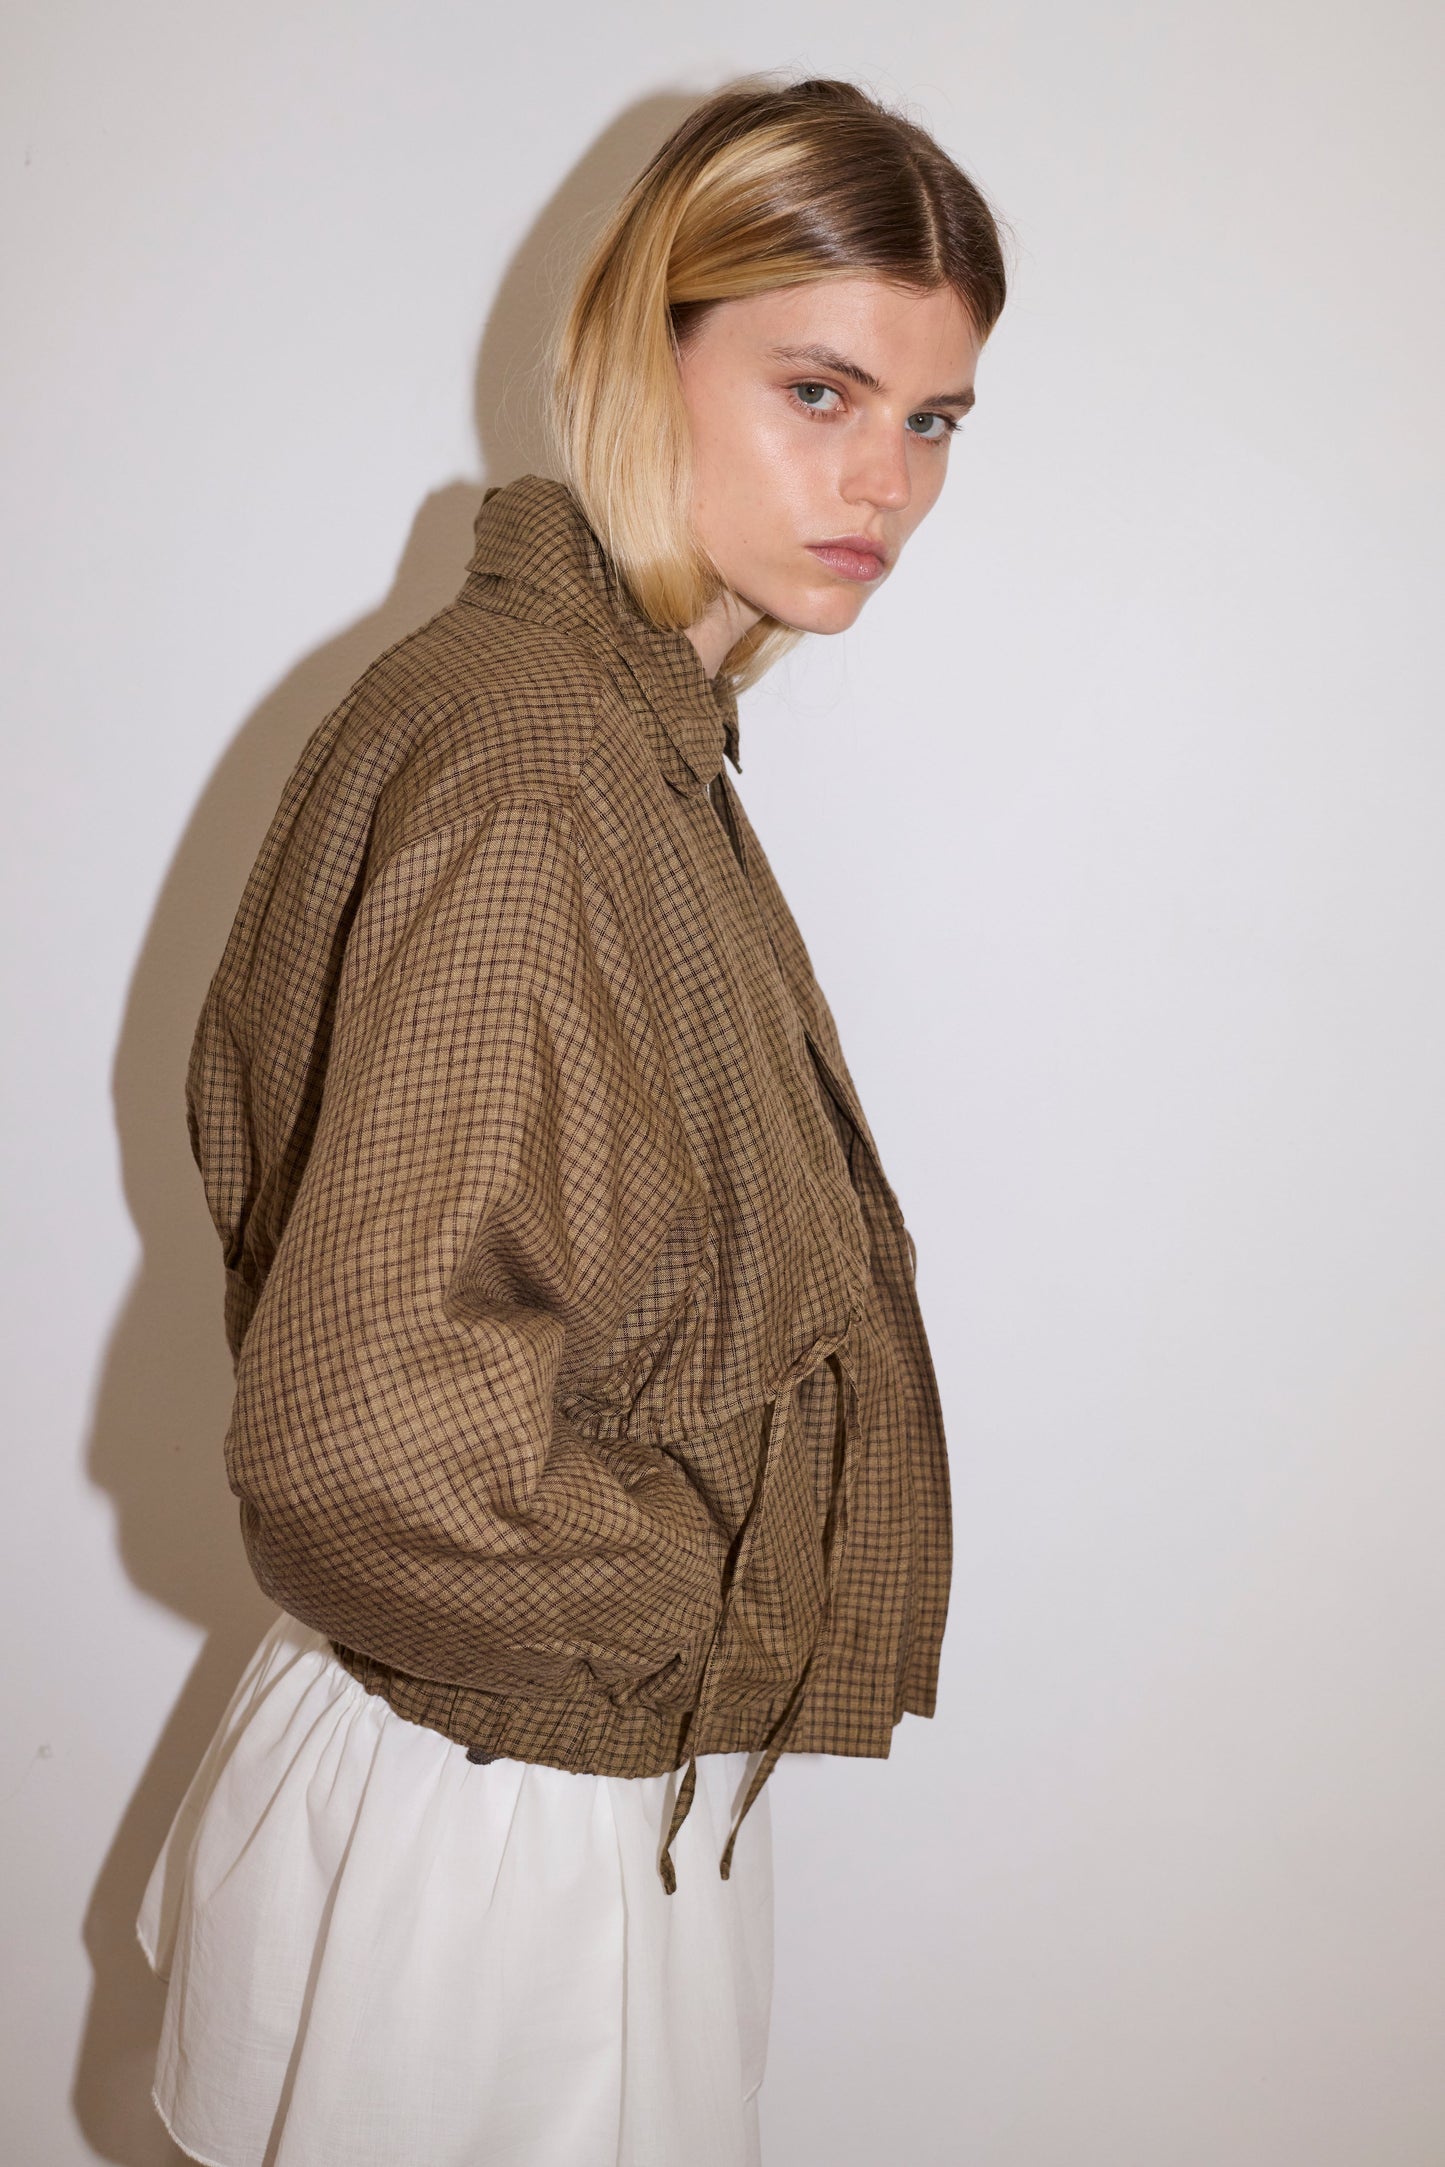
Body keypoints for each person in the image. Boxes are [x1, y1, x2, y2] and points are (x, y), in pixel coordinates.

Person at [136, 71, 1008, 2167]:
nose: (883, 476)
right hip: (504, 1854)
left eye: (936, 417)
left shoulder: (610, 726)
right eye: (822, 389)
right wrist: (722, 1620)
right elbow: (360, 1444)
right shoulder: (542, 767)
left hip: (504, 1785)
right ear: (645, 345)